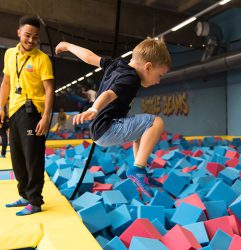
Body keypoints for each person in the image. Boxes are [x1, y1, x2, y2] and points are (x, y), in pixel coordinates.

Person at [55, 37, 171, 197]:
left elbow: (89, 57)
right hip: (108, 128)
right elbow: (109, 94)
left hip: (99, 129)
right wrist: (94, 108)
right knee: (156, 122)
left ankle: (140, 173)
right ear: (148, 67)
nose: (158, 81)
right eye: (160, 75)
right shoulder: (131, 79)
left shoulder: (116, 65)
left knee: (142, 132)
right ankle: (138, 170)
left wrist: (67, 45)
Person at [0, 15, 54, 215]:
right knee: (18, 158)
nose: (31, 40)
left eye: (35, 37)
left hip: (33, 112)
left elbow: (49, 89)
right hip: (14, 111)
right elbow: (6, 83)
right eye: (27, 35)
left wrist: (46, 116)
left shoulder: (42, 59)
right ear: (19, 33)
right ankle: (24, 195)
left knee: (33, 158)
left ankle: (35, 201)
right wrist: (1, 107)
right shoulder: (9, 54)